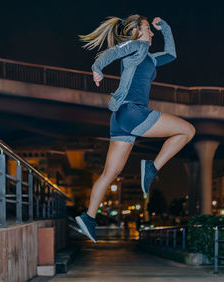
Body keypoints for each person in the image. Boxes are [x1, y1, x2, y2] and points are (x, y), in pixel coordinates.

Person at [75, 14, 196, 243]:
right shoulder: (136, 45)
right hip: (133, 112)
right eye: (148, 28)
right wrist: (97, 68)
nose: (151, 33)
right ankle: (151, 168)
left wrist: (166, 29)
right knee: (187, 131)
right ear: (137, 31)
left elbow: (171, 55)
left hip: (121, 119)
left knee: (109, 173)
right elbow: (113, 52)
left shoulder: (148, 56)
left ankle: (88, 217)